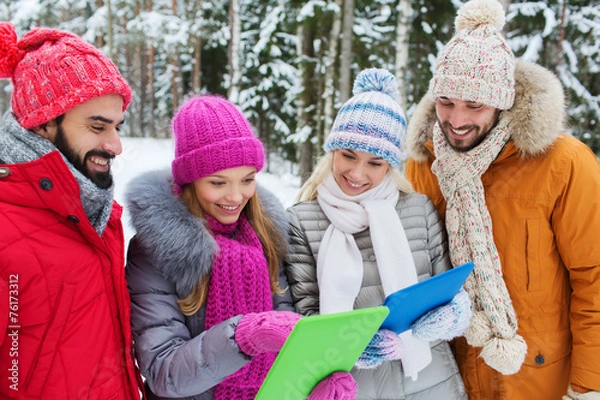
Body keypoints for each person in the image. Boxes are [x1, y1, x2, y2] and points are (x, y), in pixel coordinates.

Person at [404, 0, 600, 399]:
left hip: (539, 378)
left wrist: (588, 385)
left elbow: (594, 277)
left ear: (502, 101)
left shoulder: (564, 163)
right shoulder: (426, 162)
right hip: (451, 376)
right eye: (446, 102)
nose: (456, 121)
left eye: (474, 105)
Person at [125, 95, 357, 400]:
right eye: (218, 183)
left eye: (247, 179)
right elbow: (164, 372)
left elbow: (288, 342)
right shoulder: (155, 250)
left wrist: (310, 385)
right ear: (190, 181)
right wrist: (244, 336)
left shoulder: (266, 236)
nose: (236, 196)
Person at [284, 68, 471, 400]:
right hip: (353, 389)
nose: (357, 174)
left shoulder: (419, 209)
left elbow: (449, 286)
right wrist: (353, 344)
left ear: (390, 166)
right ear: (332, 152)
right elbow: (305, 317)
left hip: (430, 384)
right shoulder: (301, 221)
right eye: (348, 156)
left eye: (375, 162)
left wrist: (454, 314)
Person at [0, 23, 141, 399]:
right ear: (43, 124)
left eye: (117, 126)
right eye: (97, 126)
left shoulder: (95, 211)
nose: (115, 145)